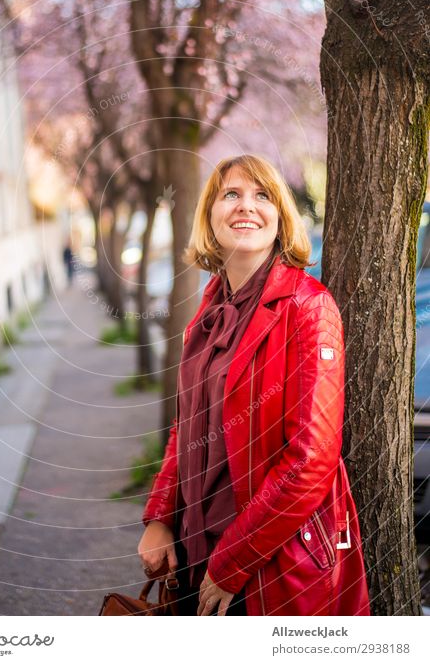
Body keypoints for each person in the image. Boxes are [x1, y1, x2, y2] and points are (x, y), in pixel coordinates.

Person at [137, 154, 370, 616]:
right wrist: (161, 517)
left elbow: (312, 458)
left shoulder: (308, 308)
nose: (247, 206)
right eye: (231, 195)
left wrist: (232, 562)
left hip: (270, 564)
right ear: (209, 216)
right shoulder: (205, 316)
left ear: (280, 218)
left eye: (262, 195)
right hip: (193, 555)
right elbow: (186, 428)